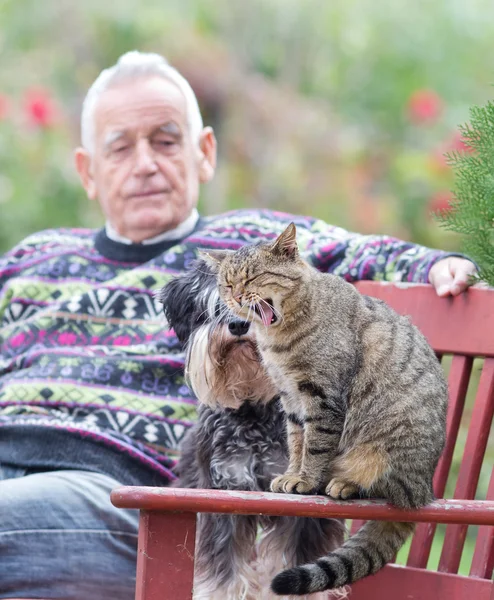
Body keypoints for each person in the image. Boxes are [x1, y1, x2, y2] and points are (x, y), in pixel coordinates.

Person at [0, 51, 477, 600]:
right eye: (120, 147)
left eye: (165, 140)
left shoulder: (244, 247)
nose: (146, 163)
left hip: (126, 498)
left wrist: (433, 266)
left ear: (204, 154)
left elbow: (363, 252)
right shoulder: (29, 260)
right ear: (88, 170)